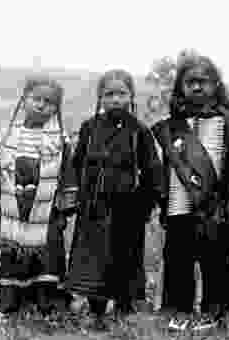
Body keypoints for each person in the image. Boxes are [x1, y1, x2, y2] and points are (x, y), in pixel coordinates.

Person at [152, 53, 229, 331]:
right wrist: (163, 200)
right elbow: (167, 166)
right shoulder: (173, 125)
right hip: (179, 203)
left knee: (215, 258)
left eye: (202, 82)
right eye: (189, 82)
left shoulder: (227, 121)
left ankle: (216, 311)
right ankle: (178, 309)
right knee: (178, 259)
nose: (196, 87)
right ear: (180, 86)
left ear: (215, 85)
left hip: (214, 204)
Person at [65, 69, 164, 322]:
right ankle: (96, 307)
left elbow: (152, 169)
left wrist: (147, 204)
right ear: (100, 98)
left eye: (121, 94)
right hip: (93, 207)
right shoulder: (89, 128)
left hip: (127, 208)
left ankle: (124, 306)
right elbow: (77, 165)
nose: (115, 100)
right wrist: (77, 197)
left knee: (125, 255)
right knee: (93, 257)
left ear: (131, 96)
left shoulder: (138, 131)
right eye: (109, 94)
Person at [0, 76, 77, 316]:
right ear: (24, 100)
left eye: (49, 102)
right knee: (9, 251)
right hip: (11, 205)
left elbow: (67, 172)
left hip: (44, 208)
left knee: (46, 252)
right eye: (36, 99)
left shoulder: (59, 140)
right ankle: (8, 299)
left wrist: (64, 204)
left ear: (56, 108)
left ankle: (46, 300)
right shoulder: (6, 136)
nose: (41, 105)